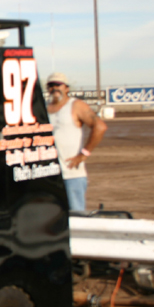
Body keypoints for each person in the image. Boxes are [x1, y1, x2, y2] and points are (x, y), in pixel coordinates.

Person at [46, 72, 107, 211]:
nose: (54, 88)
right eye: (51, 85)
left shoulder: (76, 105)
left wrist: (84, 154)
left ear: (66, 88)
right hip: (48, 176)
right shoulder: (44, 108)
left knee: (76, 216)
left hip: (71, 175)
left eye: (58, 84)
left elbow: (100, 127)